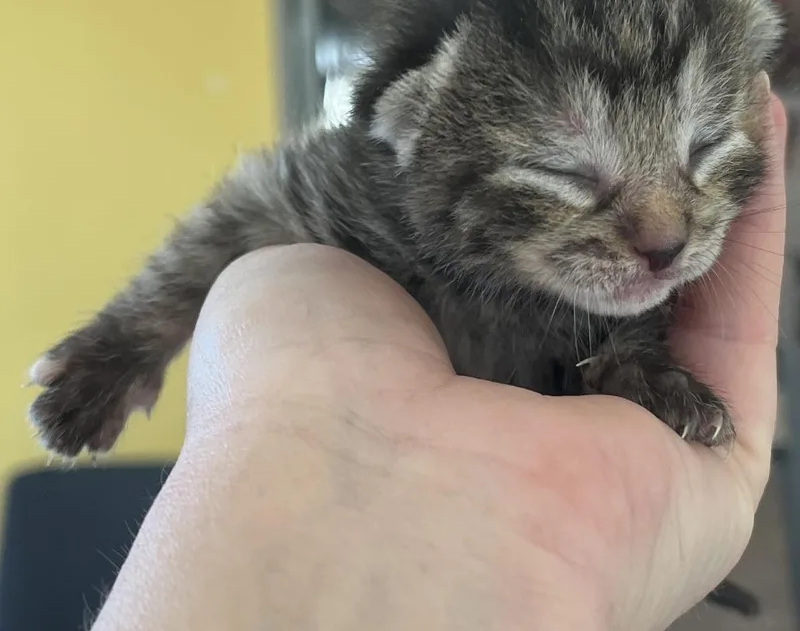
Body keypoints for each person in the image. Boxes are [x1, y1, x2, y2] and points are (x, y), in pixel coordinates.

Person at [91, 94, 786, 631]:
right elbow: (257, 202)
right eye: (561, 165)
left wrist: (631, 362)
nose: (664, 232)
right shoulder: (365, 188)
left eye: (703, 144)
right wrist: (128, 340)